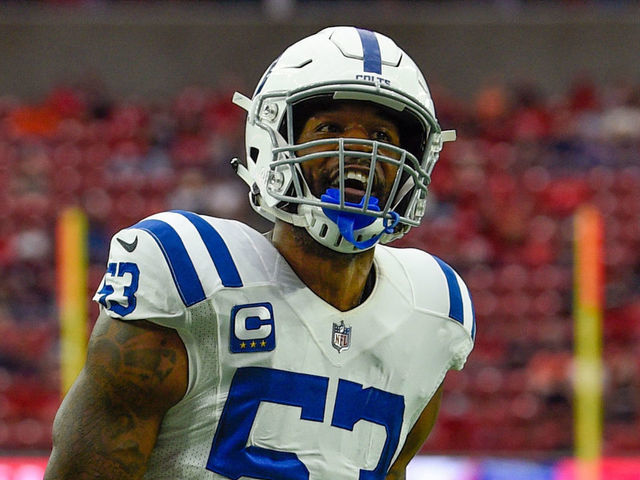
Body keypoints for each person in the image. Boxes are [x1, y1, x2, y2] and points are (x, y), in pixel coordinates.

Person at [44, 26, 475, 480]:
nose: (360, 153)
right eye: (329, 128)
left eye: (382, 136)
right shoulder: (192, 275)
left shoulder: (434, 310)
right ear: (272, 141)